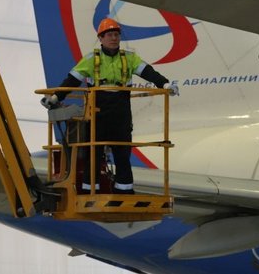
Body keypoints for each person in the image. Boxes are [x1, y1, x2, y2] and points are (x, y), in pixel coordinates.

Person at [41, 17, 178, 194]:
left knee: (122, 153)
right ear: (101, 38)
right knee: (93, 154)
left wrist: (165, 84)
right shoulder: (91, 59)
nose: (114, 38)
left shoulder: (130, 58)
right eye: (109, 35)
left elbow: (148, 72)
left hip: (121, 113)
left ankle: (124, 191)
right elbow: (72, 80)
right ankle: (89, 192)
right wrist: (55, 98)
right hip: (97, 113)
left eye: (116, 35)